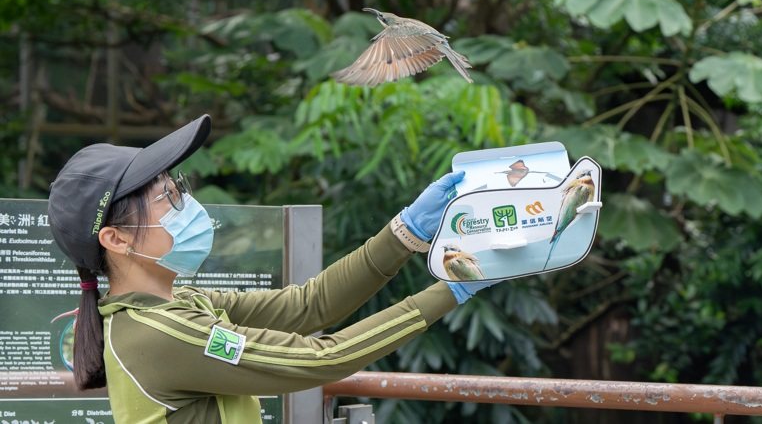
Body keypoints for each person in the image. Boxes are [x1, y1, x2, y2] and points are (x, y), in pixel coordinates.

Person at [47, 114, 494, 423]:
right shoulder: (160, 333)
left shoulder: (180, 305)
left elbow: (309, 305)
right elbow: (325, 356)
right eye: (168, 198)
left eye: (179, 188)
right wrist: (449, 288)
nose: (187, 205)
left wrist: (405, 232)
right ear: (116, 239)